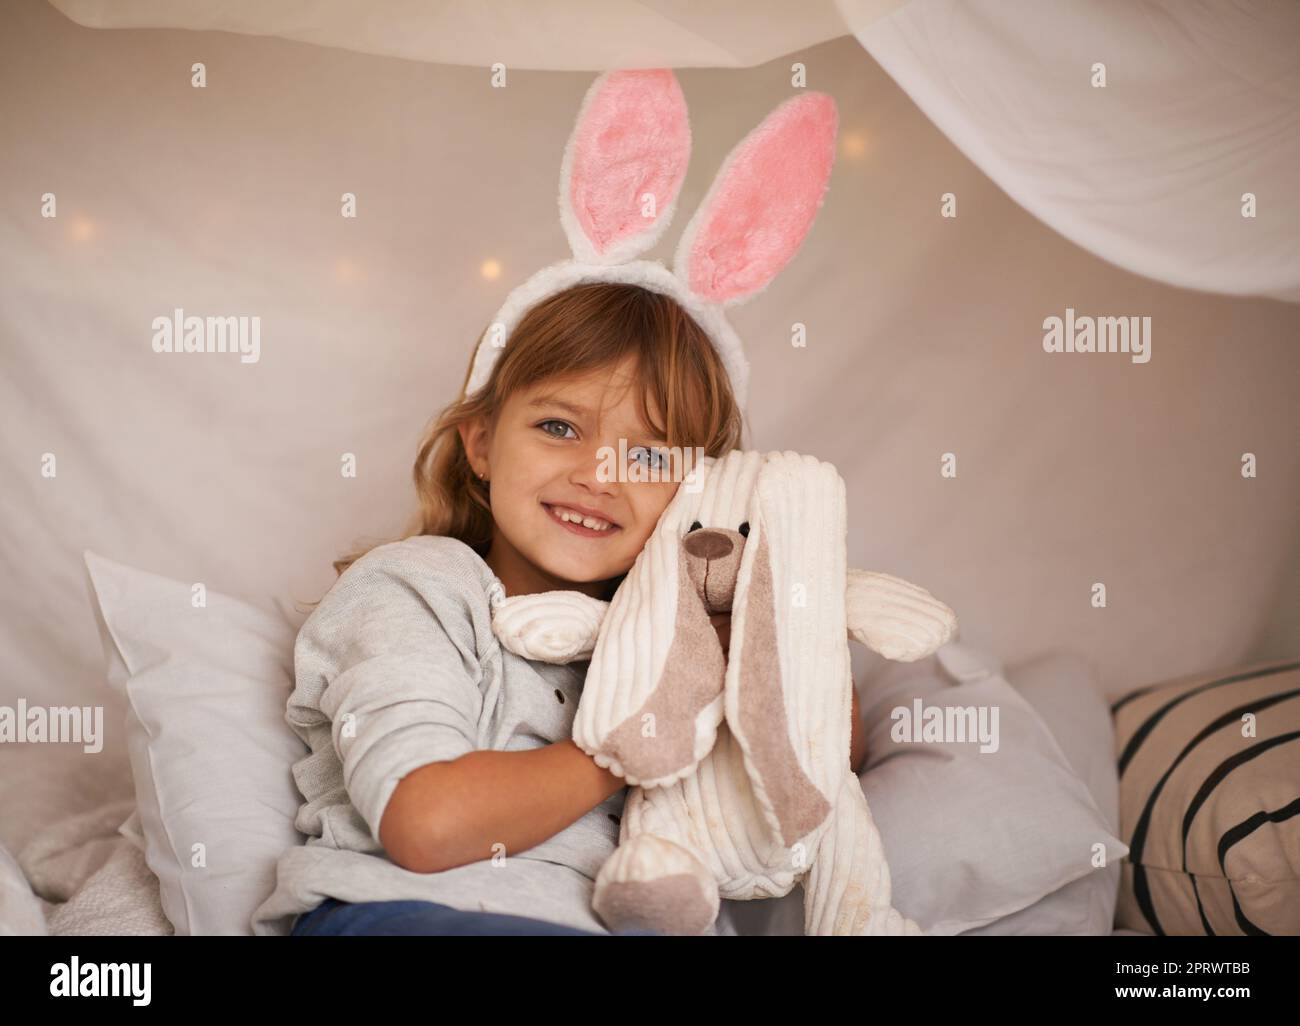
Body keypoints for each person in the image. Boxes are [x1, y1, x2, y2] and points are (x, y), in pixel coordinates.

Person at [250, 282, 745, 936]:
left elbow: (818, 756)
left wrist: (764, 634)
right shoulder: (419, 584)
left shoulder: (669, 639)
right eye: (559, 427)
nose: (599, 476)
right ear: (481, 443)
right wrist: (639, 735)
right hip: (416, 914)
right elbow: (426, 824)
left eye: (649, 455)